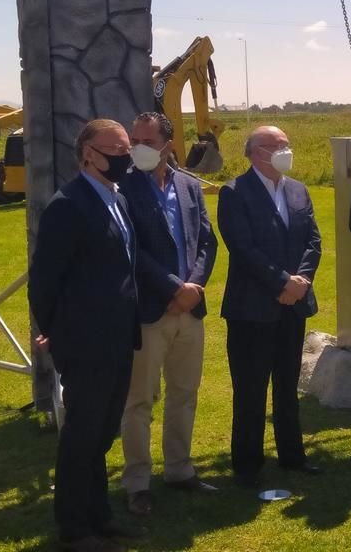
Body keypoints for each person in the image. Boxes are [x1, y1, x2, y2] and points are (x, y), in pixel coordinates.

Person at [28, 119, 144, 552]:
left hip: (117, 338)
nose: (124, 156)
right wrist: (57, 335)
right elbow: (44, 282)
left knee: (102, 433)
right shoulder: (68, 206)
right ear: (88, 153)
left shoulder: (117, 199)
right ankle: (74, 528)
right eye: (115, 149)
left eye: (127, 148)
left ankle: (99, 515)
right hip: (86, 343)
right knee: (82, 435)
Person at [118, 112, 219, 515]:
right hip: (149, 309)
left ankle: (179, 470)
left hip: (190, 311)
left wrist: (193, 287)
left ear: (168, 145)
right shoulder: (122, 188)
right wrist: (174, 288)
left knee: (185, 394)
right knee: (139, 401)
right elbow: (131, 249)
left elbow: (207, 241)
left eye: (146, 140)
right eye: (133, 140)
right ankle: (137, 483)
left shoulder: (189, 186)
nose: (137, 147)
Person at [218, 125, 322, 487]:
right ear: (253, 153)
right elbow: (243, 248)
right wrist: (281, 282)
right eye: (274, 145)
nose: (283, 150)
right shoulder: (234, 192)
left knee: (287, 384)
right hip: (251, 308)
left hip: (293, 307)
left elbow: (313, 240)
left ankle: (292, 456)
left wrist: (300, 282)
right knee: (250, 388)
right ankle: (248, 465)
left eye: (286, 145)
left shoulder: (298, 190)